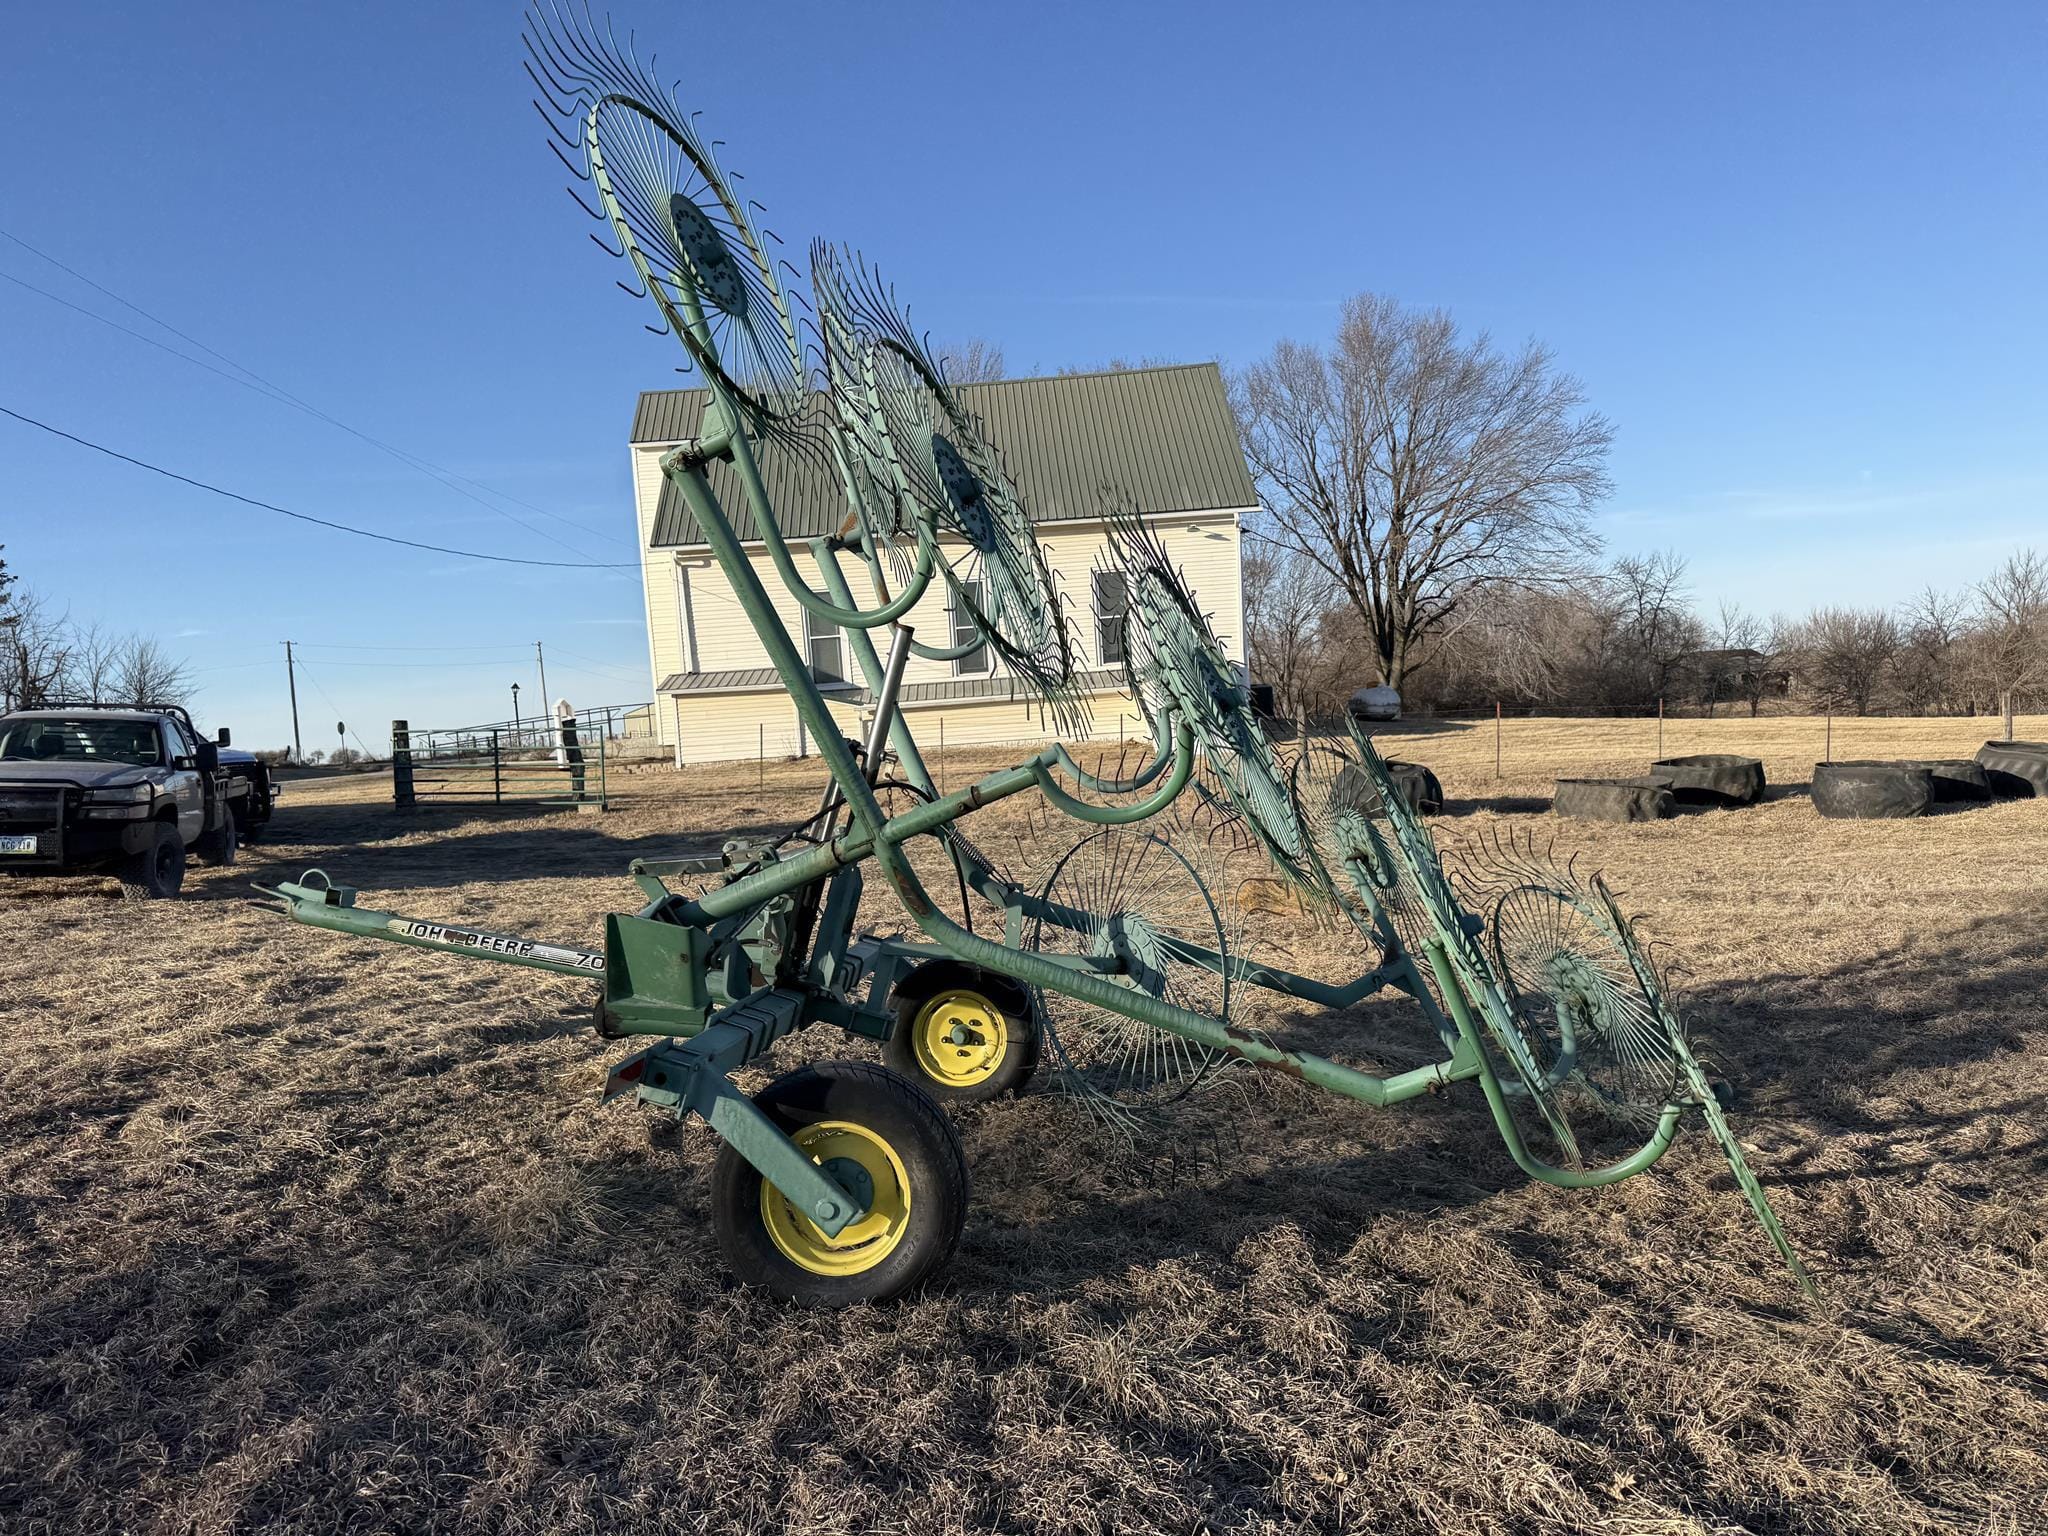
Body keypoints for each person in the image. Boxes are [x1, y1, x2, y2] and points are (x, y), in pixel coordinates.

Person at [554, 698, 586, 799]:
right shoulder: (569, 730)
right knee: (577, 768)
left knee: (577, 768)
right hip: (574, 754)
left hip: (573, 754)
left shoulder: (566, 731)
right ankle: (578, 796)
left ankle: (578, 796)